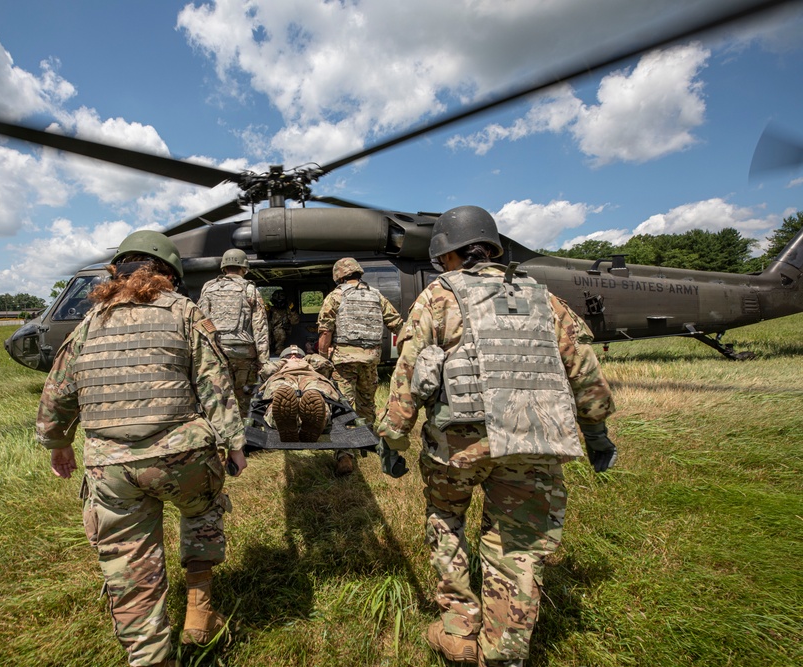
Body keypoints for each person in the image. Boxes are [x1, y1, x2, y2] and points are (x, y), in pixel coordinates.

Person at [374, 206, 617, 667]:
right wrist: (597, 433)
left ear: (445, 253)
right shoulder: (543, 299)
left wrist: (393, 439)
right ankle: (504, 652)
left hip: (457, 448)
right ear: (493, 247)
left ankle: (459, 627)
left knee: (446, 519)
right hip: (532, 444)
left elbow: (407, 377)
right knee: (519, 545)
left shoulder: (438, 296)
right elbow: (585, 372)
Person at [35, 230, 247, 667]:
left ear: (117, 272)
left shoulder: (91, 321)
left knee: (128, 567)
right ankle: (200, 609)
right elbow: (215, 382)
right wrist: (233, 442)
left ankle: (151, 658)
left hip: (111, 469)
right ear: (170, 274)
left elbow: (57, 391)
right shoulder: (184, 311)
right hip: (182, 459)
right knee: (202, 507)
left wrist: (58, 443)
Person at [317, 257, 404, 475]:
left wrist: (323, 358)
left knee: (343, 405)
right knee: (367, 402)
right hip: (370, 360)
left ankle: (345, 454)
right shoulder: (376, 295)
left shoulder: (336, 296)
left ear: (339, 275)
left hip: (344, 362)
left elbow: (325, 331)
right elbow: (398, 325)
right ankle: (365, 440)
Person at [197, 248, 270, 417]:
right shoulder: (249, 289)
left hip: (217, 353)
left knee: (220, 398)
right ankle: (244, 434)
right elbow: (260, 327)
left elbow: (202, 322)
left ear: (224, 267)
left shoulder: (208, 288)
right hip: (244, 355)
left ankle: (223, 435)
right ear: (244, 268)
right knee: (245, 398)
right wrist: (263, 361)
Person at [256, 345, 342, 442]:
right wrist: (283, 362)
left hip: (311, 377)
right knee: (280, 393)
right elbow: (266, 371)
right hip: (284, 376)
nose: (294, 357)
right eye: (289, 355)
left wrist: (310, 357)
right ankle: (285, 424)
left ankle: (313, 424)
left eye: (298, 355)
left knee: (316, 393)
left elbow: (326, 365)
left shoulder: (308, 363)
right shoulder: (281, 365)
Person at [267, 288, 300, 353]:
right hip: (270, 329)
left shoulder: (288, 309)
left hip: (282, 330)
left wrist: (292, 311)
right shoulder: (270, 309)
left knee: (279, 331)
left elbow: (295, 322)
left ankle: (279, 350)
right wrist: (266, 311)